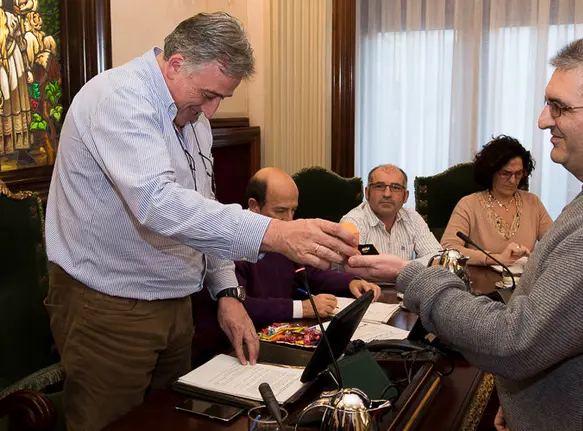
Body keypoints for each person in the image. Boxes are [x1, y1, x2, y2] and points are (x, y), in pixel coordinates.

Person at [347, 33, 583, 430]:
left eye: (560, 107)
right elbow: (566, 331)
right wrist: (527, 399)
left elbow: (512, 341)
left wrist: (411, 275)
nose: (544, 119)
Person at [44, 13, 357, 431]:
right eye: (208, 94)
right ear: (175, 63)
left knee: (167, 421)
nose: (210, 109)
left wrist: (227, 290)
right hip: (110, 308)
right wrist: (274, 232)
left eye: (221, 99)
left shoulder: (194, 118)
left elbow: (201, 209)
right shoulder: (118, 98)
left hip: (177, 302)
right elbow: (159, 204)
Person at [196, 168, 381, 330]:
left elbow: (308, 274)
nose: (289, 220)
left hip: (282, 331)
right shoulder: (232, 243)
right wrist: (302, 308)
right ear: (254, 206)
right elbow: (238, 305)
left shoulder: (288, 240)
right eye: (281, 211)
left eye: (293, 210)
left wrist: (351, 283)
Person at [440, 135, 552, 265]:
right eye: (506, 174)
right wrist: (493, 259)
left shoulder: (533, 202)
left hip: (525, 280)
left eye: (519, 173)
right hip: (481, 281)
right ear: (490, 172)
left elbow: (554, 243)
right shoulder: (468, 204)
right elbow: (448, 248)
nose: (513, 180)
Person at [340, 164, 442, 261]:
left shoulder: (412, 218)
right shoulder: (353, 222)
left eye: (396, 187)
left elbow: (436, 258)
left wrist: (403, 266)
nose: (387, 194)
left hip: (407, 278)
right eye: (379, 186)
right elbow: (352, 265)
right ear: (367, 193)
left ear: (405, 196)